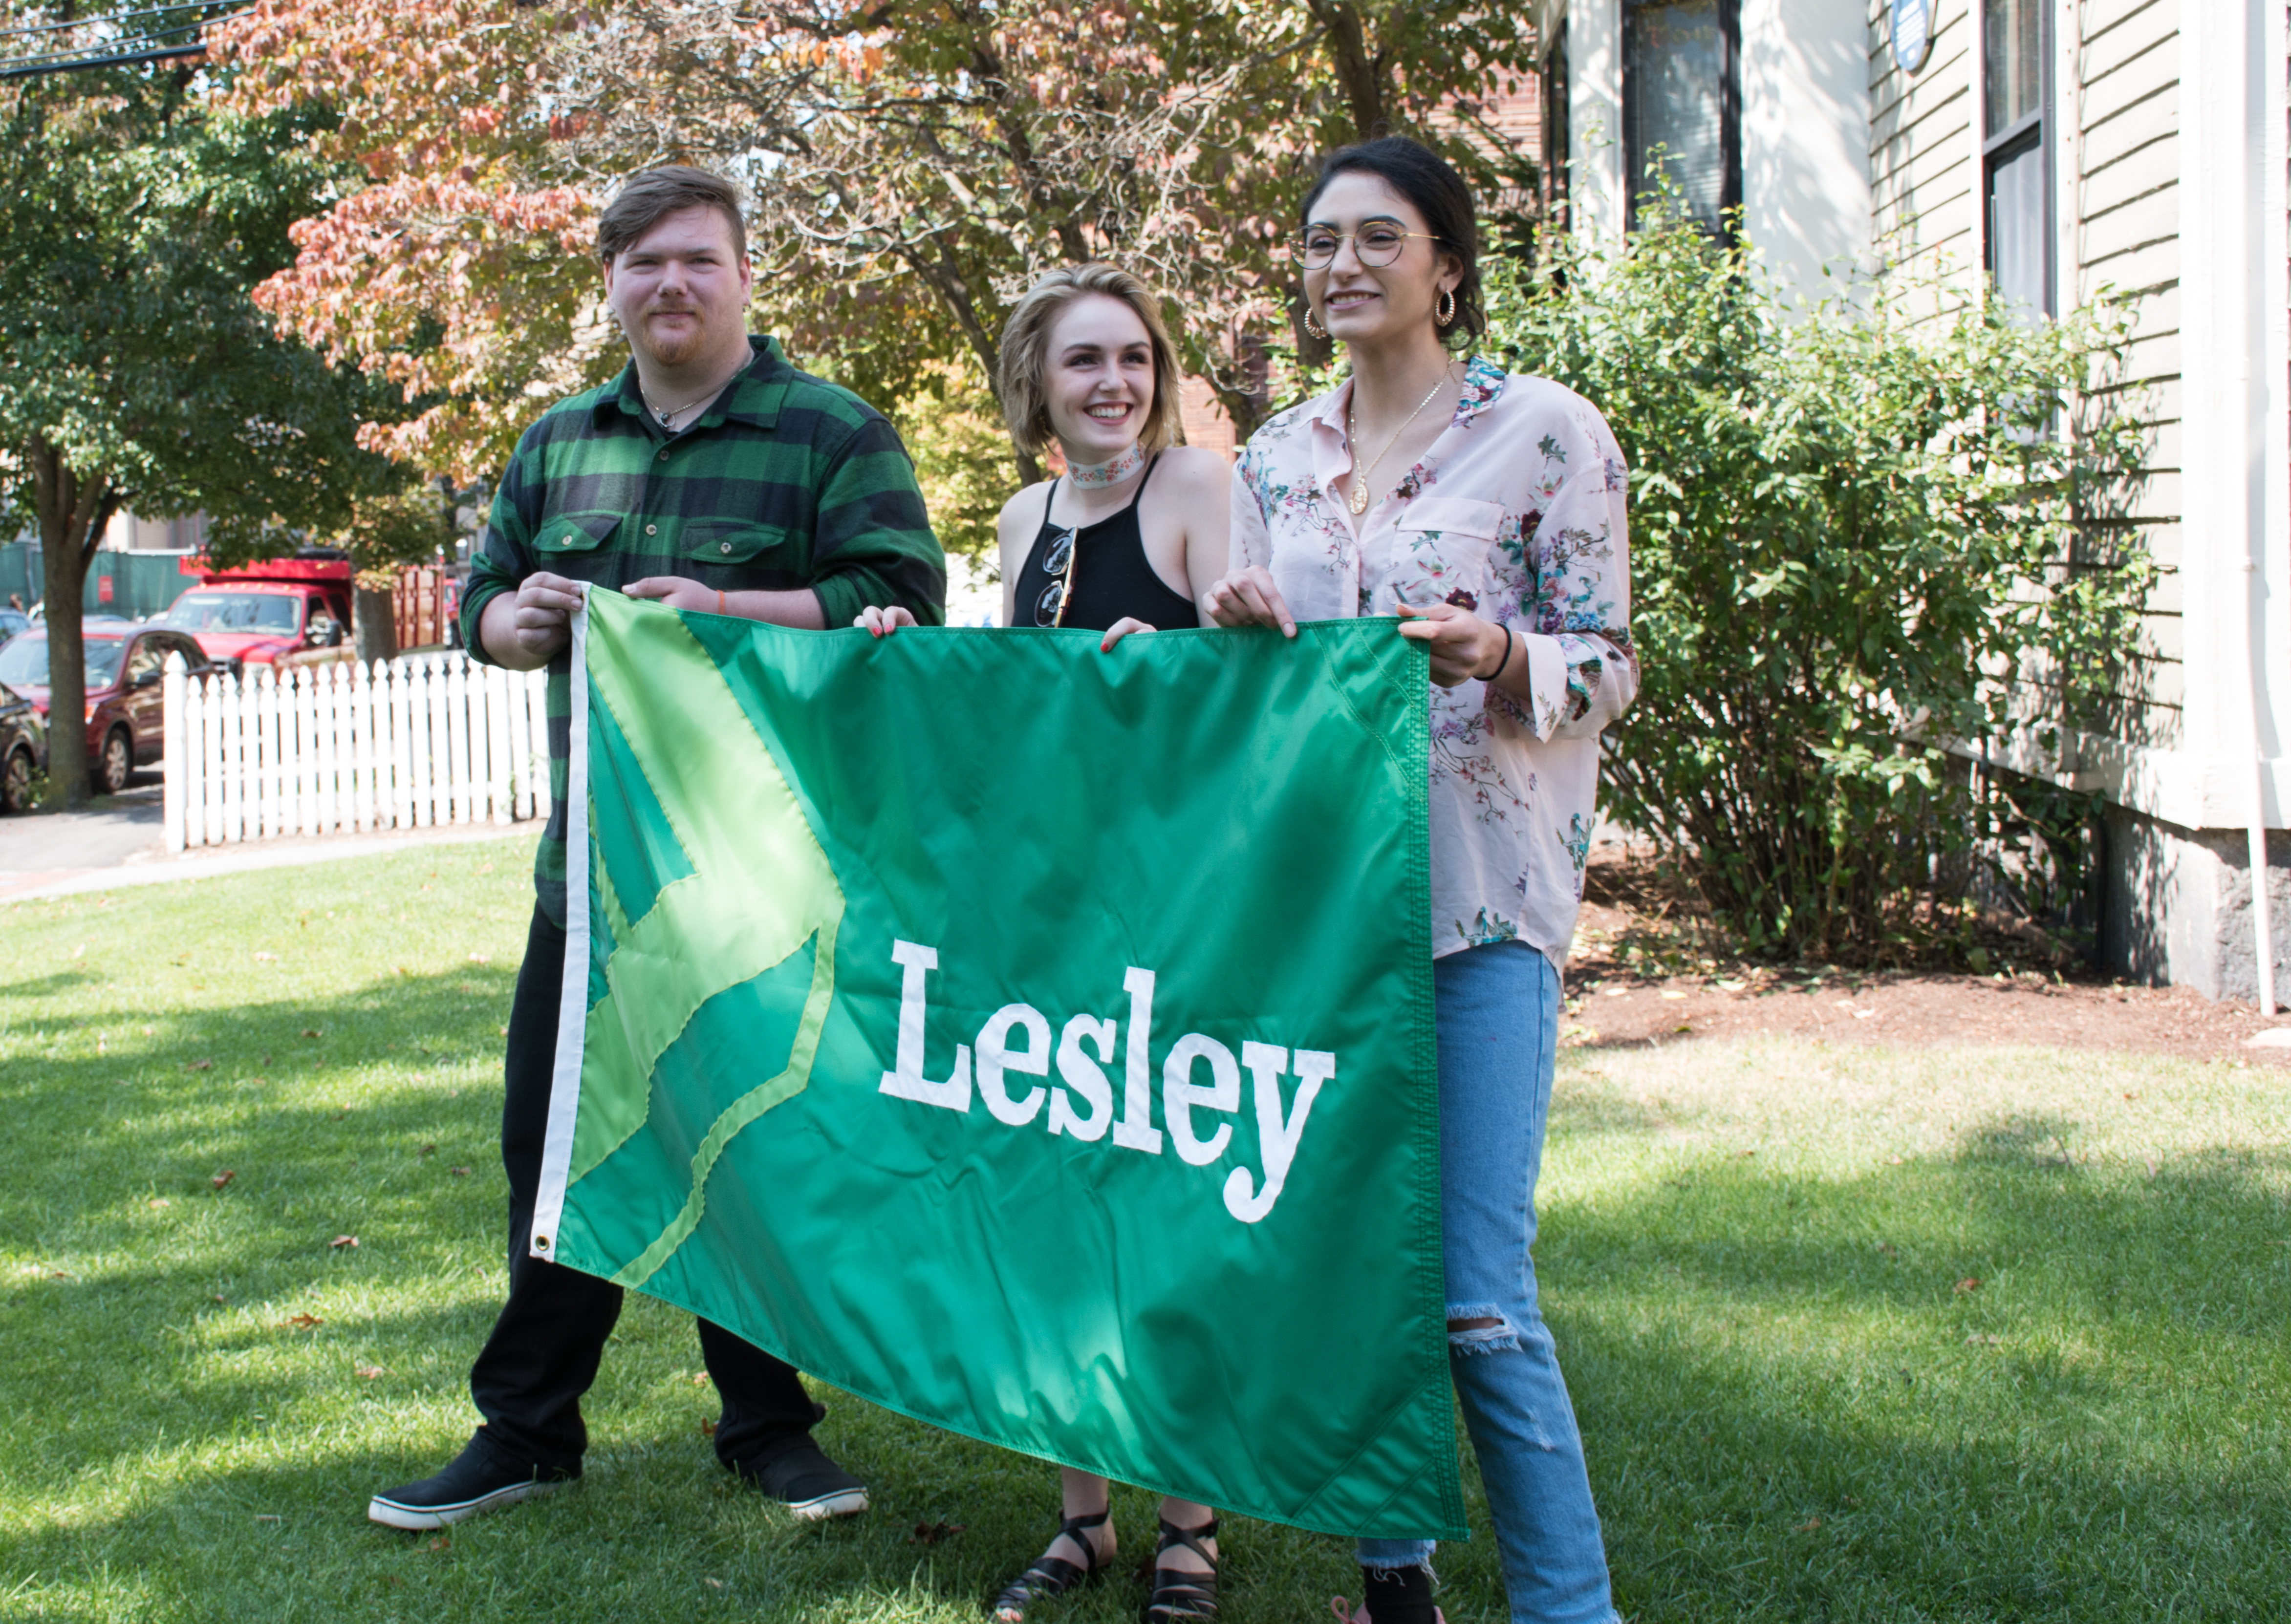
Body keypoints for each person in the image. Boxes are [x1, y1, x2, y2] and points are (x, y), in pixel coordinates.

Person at [367, 165, 946, 1532]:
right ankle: (524, 1431)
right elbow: (485, 597)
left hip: (760, 879)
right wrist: (509, 626)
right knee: (555, 1148)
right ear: (613, 283)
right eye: (643, 263)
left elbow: (902, 596)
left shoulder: (830, 432)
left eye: (697, 259)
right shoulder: (560, 441)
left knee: (739, 1140)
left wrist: (727, 606)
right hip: (591, 872)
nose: (670, 283)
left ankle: (768, 1427)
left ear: (744, 274)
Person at [1204, 138, 1632, 1624]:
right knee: (1351, 1272)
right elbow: (1265, 701)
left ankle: (1572, 1608)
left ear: (1447, 264)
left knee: (1473, 1293)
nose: (1342, 264)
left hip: (1481, 902)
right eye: (1320, 239)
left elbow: (1610, 662)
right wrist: (1239, 632)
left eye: (1379, 237)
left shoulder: (1549, 433)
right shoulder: (1271, 458)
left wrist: (1502, 652)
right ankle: (1396, 1583)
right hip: (1326, 912)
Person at [852, 262, 1232, 1624]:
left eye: (1134, 356)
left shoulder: (1194, 491)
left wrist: (1175, 662)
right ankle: (1085, 1521)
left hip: (1178, 911)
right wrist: (915, 648)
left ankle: (1188, 1525)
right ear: (1036, 387)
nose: (1116, 382)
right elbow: (1022, 711)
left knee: (1162, 1208)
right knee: (1059, 1204)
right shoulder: (1023, 517)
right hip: (1053, 912)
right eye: (1085, 361)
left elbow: (1263, 674)